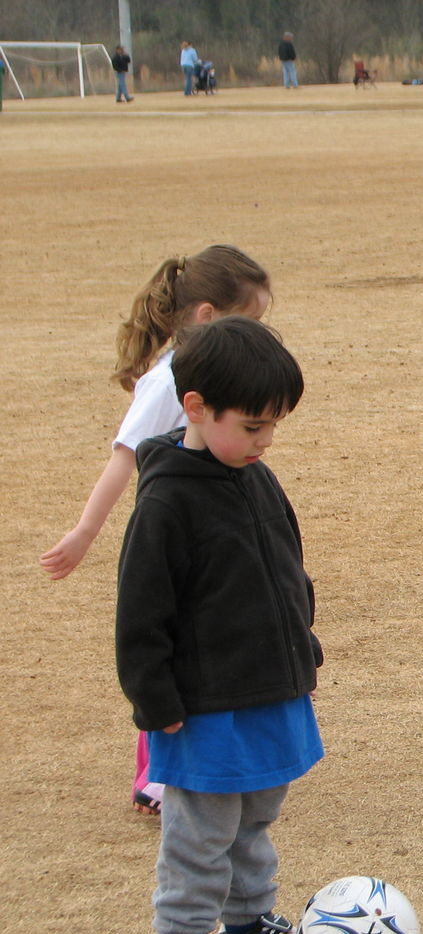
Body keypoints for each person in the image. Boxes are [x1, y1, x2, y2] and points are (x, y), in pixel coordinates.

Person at [117, 316, 322, 934]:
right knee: (202, 828)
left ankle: (246, 922)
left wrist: (303, 646)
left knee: (255, 814)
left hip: (270, 685)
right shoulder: (167, 497)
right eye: (253, 426)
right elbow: (142, 611)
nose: (265, 442)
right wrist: (155, 700)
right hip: (203, 703)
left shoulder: (256, 477)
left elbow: (287, 567)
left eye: (273, 428)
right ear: (197, 408)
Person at [42, 245, 272, 816]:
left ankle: (204, 764)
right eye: (250, 321)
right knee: (172, 649)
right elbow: (124, 459)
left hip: (214, 533)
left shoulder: (214, 378)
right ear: (206, 317)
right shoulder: (169, 380)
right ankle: (157, 778)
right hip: (176, 537)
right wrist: (84, 532)